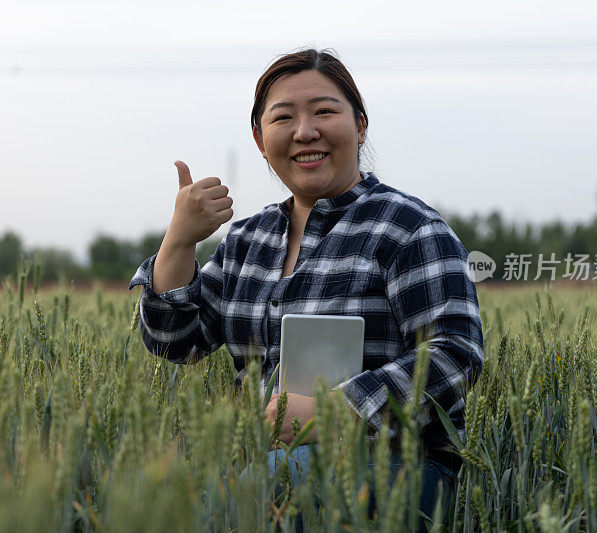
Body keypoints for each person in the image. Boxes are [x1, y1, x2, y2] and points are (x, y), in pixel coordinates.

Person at [129, 48, 484, 529]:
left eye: (324, 111)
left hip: (395, 467)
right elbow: (176, 343)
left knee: (236, 496)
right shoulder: (248, 240)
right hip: (265, 467)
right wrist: (179, 241)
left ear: (359, 126)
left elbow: (454, 354)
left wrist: (337, 411)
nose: (304, 131)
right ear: (260, 139)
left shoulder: (409, 228)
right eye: (283, 118)